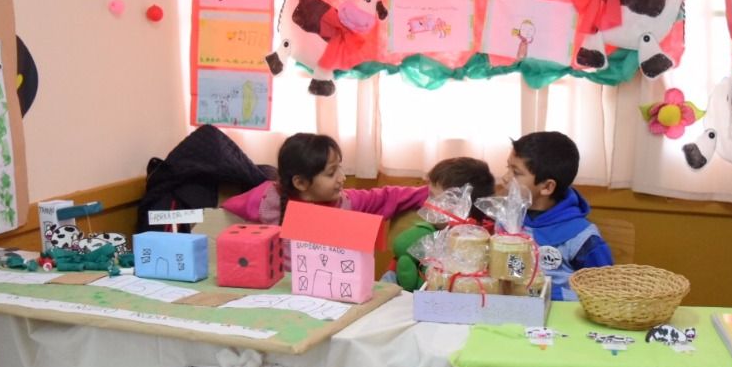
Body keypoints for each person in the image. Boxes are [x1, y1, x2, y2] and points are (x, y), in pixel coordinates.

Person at [222, 132, 429, 268]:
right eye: (331, 173)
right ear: (300, 182)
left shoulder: (347, 202)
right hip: (280, 292)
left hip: (329, 294)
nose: (342, 178)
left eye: (340, 168)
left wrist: (434, 192)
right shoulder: (268, 198)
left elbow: (390, 196)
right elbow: (226, 211)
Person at [504, 131, 613, 301]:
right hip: (512, 309)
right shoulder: (507, 220)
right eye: (508, 168)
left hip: (561, 314)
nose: (505, 178)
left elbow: (605, 291)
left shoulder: (582, 237)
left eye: (516, 172)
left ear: (547, 187)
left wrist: (550, 294)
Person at [387, 156, 496, 291]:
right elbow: (389, 280)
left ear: (459, 204)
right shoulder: (424, 235)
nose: (426, 202)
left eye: (433, 197)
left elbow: (509, 278)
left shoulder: (491, 243)